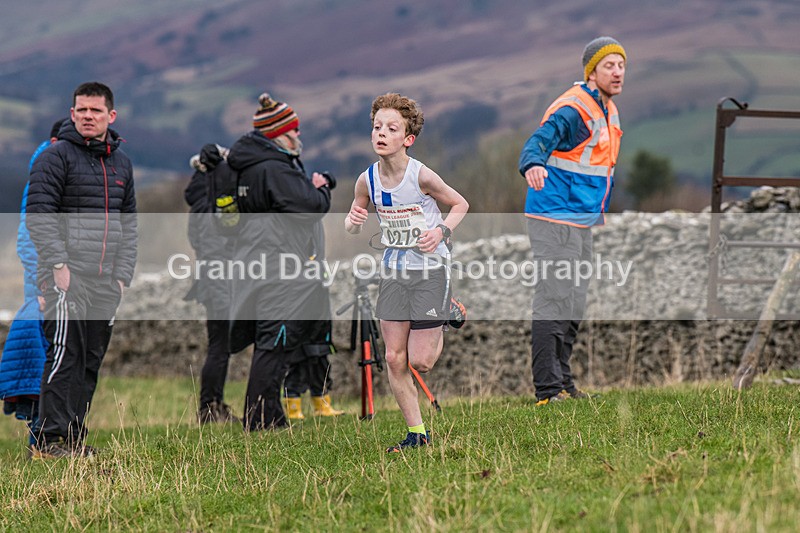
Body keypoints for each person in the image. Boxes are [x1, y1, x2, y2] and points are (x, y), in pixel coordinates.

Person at [345, 93, 469, 453]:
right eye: (376, 127)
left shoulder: (422, 175)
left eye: (391, 128)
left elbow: (461, 203)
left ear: (408, 139)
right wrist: (352, 221)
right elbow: (355, 218)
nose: (381, 134)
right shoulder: (366, 180)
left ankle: (447, 310)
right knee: (394, 358)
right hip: (394, 274)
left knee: (421, 361)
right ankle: (417, 434)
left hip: (431, 270)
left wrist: (441, 231)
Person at [26, 82, 138, 457]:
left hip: (106, 281)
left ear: (111, 115)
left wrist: (123, 275)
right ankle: (48, 440)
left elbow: (130, 222)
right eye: (81, 110)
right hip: (66, 276)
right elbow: (39, 216)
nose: (88, 116)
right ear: (72, 113)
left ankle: (72, 436)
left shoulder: (122, 162)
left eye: (95, 110)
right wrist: (58, 266)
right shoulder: (55, 158)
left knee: (90, 359)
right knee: (65, 356)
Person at [518, 36, 626, 405]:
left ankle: (564, 384)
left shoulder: (607, 109)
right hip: (552, 215)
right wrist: (532, 163)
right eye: (609, 65)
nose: (617, 72)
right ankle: (547, 391)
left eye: (621, 65)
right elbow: (538, 141)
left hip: (582, 219)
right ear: (591, 72)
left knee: (574, 302)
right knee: (554, 297)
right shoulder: (575, 108)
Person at [227, 92, 334, 432]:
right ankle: (261, 420)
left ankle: (269, 415)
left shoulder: (251, 165)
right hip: (280, 268)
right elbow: (309, 207)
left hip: (259, 261)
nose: (298, 137)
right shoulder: (274, 168)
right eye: (295, 131)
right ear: (279, 134)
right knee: (275, 343)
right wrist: (320, 188)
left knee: (271, 342)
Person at [0, 118, 65, 454]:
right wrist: (43, 286)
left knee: (53, 363)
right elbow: (27, 239)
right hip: (43, 291)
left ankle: (48, 439)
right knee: (47, 364)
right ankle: (41, 440)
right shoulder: (44, 172)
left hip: (51, 286)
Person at [183, 144, 240, 424]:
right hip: (220, 276)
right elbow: (221, 242)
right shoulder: (213, 202)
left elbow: (197, 242)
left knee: (219, 344)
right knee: (220, 345)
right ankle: (210, 406)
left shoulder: (197, 199)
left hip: (210, 275)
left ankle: (212, 404)